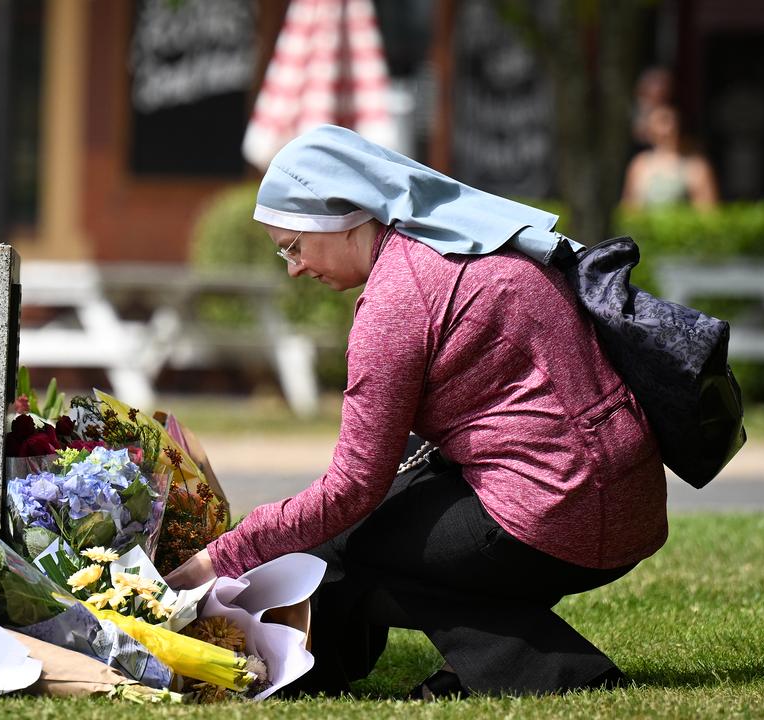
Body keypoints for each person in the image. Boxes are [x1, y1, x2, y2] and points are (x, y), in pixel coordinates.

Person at [164, 125, 667, 699]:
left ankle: (555, 670)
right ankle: (336, 665)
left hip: (564, 514)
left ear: (347, 218)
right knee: (378, 513)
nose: (294, 268)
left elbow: (352, 489)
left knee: (350, 544)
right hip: (631, 504)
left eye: (294, 245)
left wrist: (220, 557)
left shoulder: (397, 300)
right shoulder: (465, 242)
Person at [621, 105, 718, 210]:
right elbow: (629, 209)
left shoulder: (695, 166)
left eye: (666, 121)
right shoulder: (640, 164)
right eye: (658, 122)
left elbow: (708, 213)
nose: (664, 130)